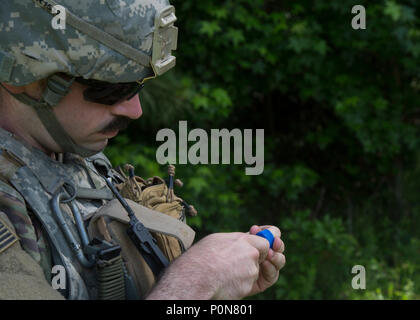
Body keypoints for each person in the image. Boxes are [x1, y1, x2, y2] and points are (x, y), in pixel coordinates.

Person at [0, 0, 285, 300]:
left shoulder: (71, 157)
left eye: (138, 87)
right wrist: (195, 282)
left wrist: (215, 283)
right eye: (112, 89)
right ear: (24, 74)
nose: (134, 110)